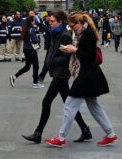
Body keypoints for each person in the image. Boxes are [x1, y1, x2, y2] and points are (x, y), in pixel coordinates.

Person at [45, 12, 117, 148]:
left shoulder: (87, 34)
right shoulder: (82, 33)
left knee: (69, 106)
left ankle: (61, 138)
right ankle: (111, 135)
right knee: (94, 107)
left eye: (72, 26)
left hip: (86, 75)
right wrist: (72, 50)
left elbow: (89, 57)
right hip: (88, 75)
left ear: (79, 23)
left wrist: (74, 50)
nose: (71, 29)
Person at [22, 11, 90, 144]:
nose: (49, 23)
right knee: (69, 105)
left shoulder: (64, 35)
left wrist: (52, 61)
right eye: (49, 21)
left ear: (60, 22)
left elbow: (65, 57)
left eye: (52, 21)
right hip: (58, 72)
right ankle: (85, 129)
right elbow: (51, 53)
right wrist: (46, 68)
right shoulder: (55, 33)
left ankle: (38, 133)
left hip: (62, 73)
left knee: (46, 101)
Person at [10, 16, 42, 88]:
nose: (35, 22)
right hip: (31, 49)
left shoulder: (25, 28)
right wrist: (38, 39)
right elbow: (34, 40)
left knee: (27, 66)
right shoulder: (32, 29)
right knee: (36, 66)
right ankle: (35, 83)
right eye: (34, 21)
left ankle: (14, 76)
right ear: (31, 21)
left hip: (26, 49)